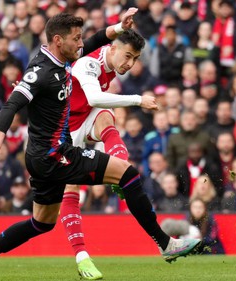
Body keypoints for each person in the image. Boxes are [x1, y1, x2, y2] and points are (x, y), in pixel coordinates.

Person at [0, 12, 200, 281]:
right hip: (55, 155)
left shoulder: (64, 57)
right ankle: (166, 244)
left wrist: (119, 27)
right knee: (127, 173)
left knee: (41, 223)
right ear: (59, 40)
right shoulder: (40, 72)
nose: (81, 44)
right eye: (76, 39)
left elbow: (98, 39)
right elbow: (11, 105)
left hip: (42, 157)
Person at [63, 24, 164, 277]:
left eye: (136, 59)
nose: (130, 64)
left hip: (82, 117)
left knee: (107, 118)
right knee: (59, 200)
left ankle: (120, 174)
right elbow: (95, 98)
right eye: (128, 56)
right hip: (62, 130)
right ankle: (82, 256)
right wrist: (138, 100)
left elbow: (94, 104)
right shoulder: (89, 64)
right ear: (113, 48)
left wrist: (121, 26)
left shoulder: (112, 65)